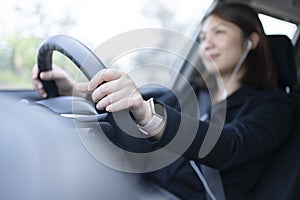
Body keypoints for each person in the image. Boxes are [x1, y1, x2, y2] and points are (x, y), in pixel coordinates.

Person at [32, 3, 293, 200]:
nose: (206, 43)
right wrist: (74, 92)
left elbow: (228, 144)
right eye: (202, 36)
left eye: (219, 32)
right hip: (141, 188)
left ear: (251, 41)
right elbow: (132, 116)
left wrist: (149, 114)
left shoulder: (274, 107)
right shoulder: (191, 92)